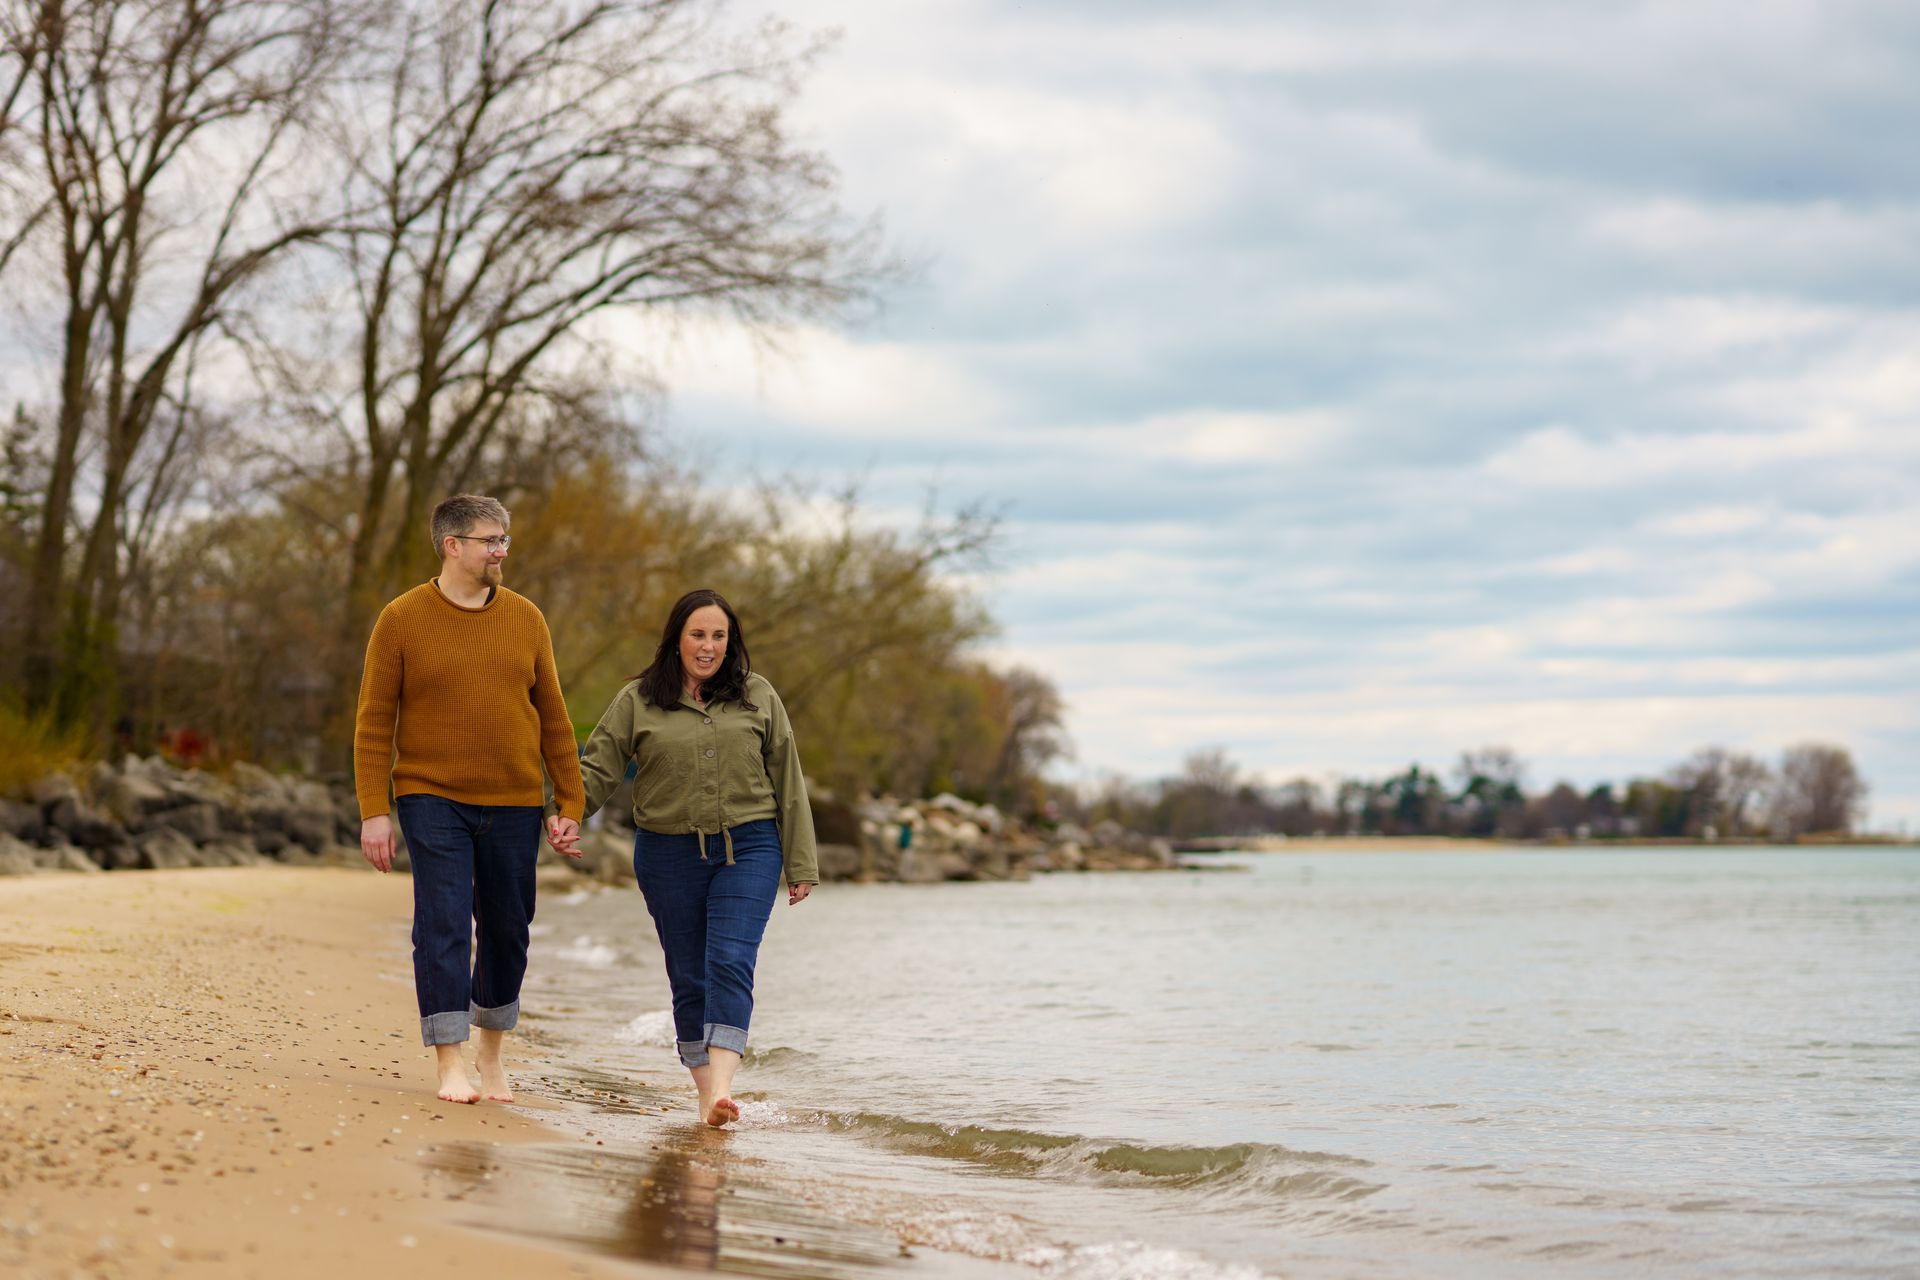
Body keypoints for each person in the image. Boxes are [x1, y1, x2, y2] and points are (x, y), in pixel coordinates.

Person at [549, 588, 818, 1127]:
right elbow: (599, 767)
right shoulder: (638, 700)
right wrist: (569, 814)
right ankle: (705, 1095)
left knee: (731, 961)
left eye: (719, 636)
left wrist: (801, 863)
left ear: (731, 642)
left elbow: (788, 779)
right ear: (676, 638)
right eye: (698, 634)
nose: (708, 646)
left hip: (751, 846)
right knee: (689, 973)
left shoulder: (758, 696)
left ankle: (721, 1090)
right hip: (666, 853)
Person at [354, 493, 586, 1104]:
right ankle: (449, 1061)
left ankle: (491, 1056)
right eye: (491, 540)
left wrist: (570, 801)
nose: (502, 550)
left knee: (510, 928)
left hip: (513, 798)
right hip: (431, 795)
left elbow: (554, 718)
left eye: (505, 539)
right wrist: (374, 811)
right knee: (445, 923)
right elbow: (374, 721)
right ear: (452, 545)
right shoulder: (400, 619)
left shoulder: (526, 618)